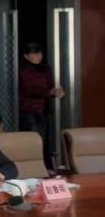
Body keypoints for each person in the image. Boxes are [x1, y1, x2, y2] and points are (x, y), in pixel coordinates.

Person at [18, 41, 64, 170]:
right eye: (34, 54)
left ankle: (46, 167)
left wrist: (55, 91)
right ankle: (34, 168)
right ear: (26, 56)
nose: (38, 57)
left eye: (39, 54)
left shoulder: (46, 69)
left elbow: (49, 86)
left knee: (45, 140)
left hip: (43, 109)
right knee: (35, 140)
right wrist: (49, 92)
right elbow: (28, 89)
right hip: (28, 110)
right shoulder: (22, 70)